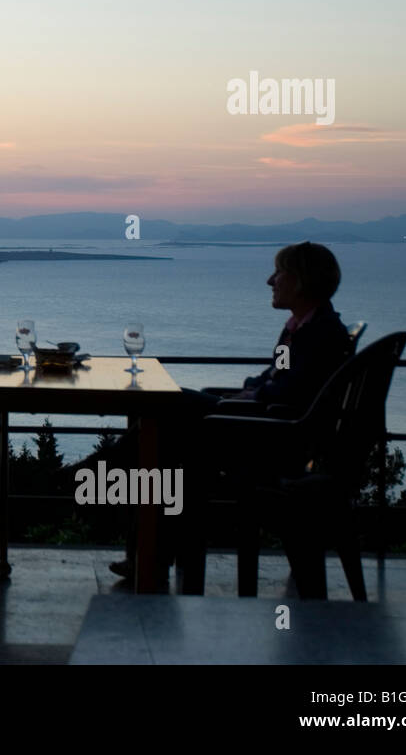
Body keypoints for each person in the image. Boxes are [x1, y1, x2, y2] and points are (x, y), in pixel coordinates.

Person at [110, 242, 353, 582]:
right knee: (165, 428)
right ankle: (149, 555)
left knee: (166, 407)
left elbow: (288, 392)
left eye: (278, 273)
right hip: (261, 425)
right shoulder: (302, 327)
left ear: (299, 281)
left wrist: (252, 394)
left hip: (271, 438)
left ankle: (108, 487)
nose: (270, 281)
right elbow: (275, 377)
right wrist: (253, 388)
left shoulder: (320, 334)